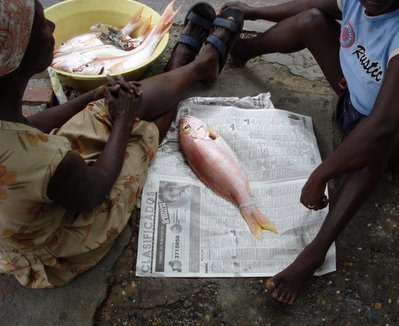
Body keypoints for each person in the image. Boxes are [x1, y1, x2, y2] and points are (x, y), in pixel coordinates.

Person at [222, 0, 399, 304]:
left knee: (375, 143)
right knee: (309, 20)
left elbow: (384, 125)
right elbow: (311, 6)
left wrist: (322, 174)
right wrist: (254, 12)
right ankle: (243, 50)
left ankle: (315, 253)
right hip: (356, 96)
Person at [0, 0, 244, 288]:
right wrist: (123, 122)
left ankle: (191, 69)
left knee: (107, 105)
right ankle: (193, 66)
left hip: (36, 190)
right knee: (138, 137)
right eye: (41, 25)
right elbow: (93, 190)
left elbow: (26, 127)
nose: (51, 27)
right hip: (57, 243)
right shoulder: (41, 161)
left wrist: (89, 98)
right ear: (15, 59)